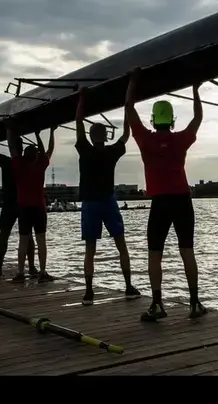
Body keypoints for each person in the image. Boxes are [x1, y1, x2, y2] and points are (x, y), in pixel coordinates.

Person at [125, 67, 207, 321]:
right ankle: (194, 303)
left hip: (160, 203)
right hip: (183, 200)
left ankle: (158, 304)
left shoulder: (144, 140)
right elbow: (197, 120)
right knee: (187, 251)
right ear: (171, 121)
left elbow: (128, 107)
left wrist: (133, 80)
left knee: (154, 253)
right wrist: (195, 90)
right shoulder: (181, 139)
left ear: (153, 120)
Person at [75, 87, 140, 306]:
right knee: (121, 245)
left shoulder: (84, 149)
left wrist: (82, 98)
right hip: (108, 201)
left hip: (90, 204)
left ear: (92, 137)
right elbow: (126, 134)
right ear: (105, 136)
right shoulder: (111, 152)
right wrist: (126, 106)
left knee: (90, 250)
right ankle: (129, 286)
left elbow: (78, 122)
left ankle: (89, 292)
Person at [0, 130, 38, 280]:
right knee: (28, 237)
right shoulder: (27, 163)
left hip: (8, 204)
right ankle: (32, 268)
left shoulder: (7, 162)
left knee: (4, 236)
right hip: (23, 203)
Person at [8, 124, 55, 284]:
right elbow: (48, 149)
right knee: (41, 240)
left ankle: (21, 272)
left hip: (23, 208)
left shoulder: (19, 166)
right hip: (39, 208)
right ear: (36, 155)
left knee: (23, 241)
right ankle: (42, 272)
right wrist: (42, 134)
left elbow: (11, 148)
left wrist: (9, 130)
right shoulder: (40, 164)